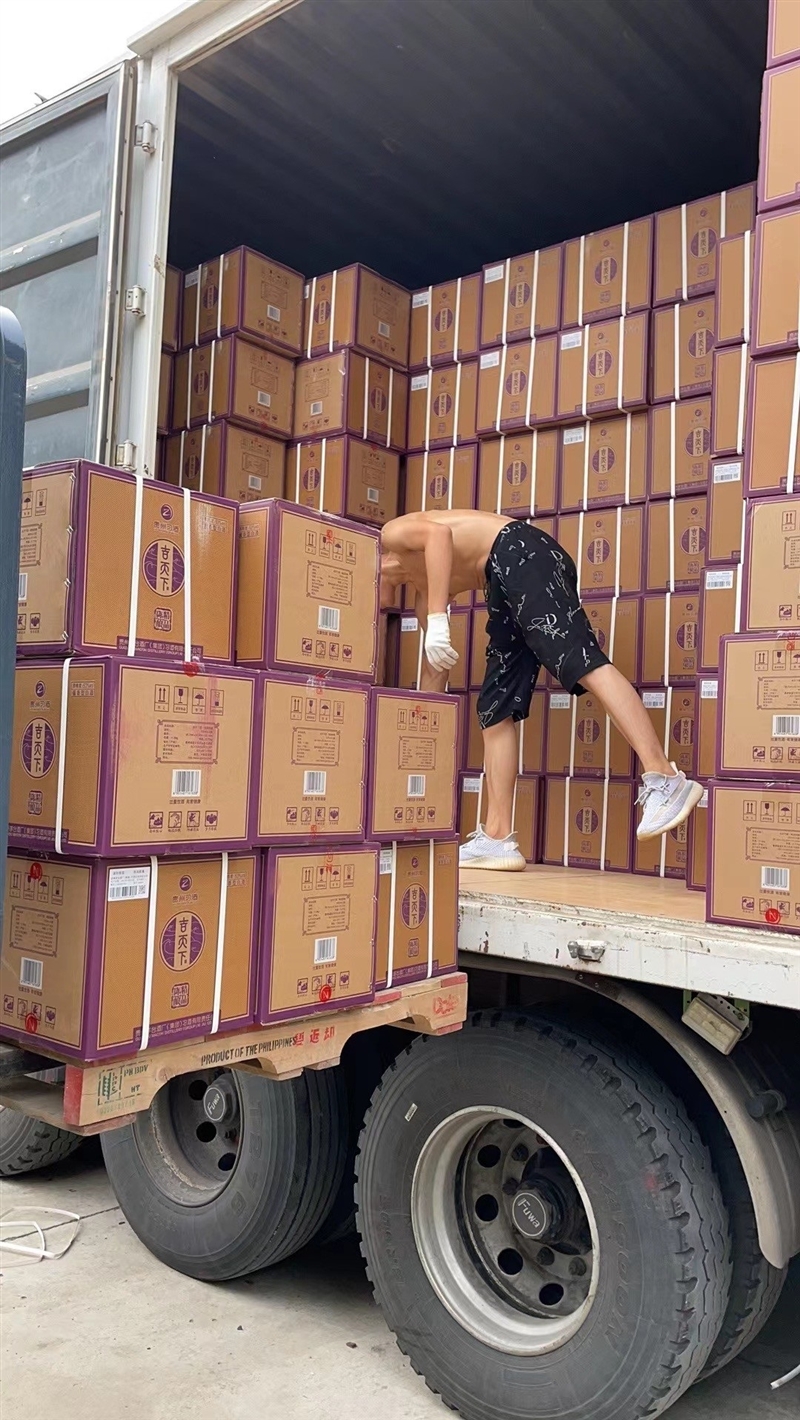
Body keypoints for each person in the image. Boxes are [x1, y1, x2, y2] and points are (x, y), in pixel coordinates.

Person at [380, 509, 704, 871]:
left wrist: (439, 618)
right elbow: (435, 666)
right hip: (499, 578)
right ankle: (498, 838)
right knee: (495, 706)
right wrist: (423, 730)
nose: (377, 609)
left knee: (580, 660)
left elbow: (439, 535)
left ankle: (666, 779)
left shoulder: (392, 534)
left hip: (520, 551)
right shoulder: (425, 591)